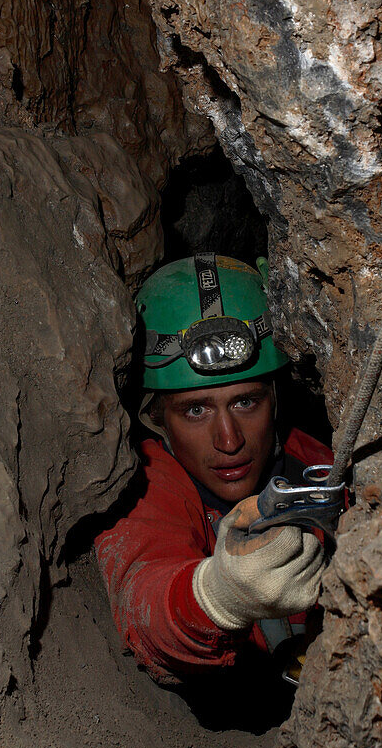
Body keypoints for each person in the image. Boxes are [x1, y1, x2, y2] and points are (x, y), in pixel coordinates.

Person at [95, 253, 331, 692]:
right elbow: (142, 596)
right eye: (196, 410)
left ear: (276, 399)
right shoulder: (145, 484)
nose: (229, 440)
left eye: (246, 402)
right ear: (156, 417)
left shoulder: (316, 465)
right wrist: (218, 596)